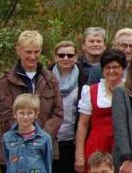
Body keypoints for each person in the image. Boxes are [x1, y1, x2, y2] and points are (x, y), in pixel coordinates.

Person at [0, 30, 63, 173]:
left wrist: (39, 137)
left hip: (43, 149)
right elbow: (4, 114)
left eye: (36, 51)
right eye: (28, 52)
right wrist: (22, 134)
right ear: (18, 50)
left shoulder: (50, 79)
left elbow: (58, 113)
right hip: (12, 149)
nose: (33, 56)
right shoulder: (4, 81)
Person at [75, 48, 125, 173]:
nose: (111, 71)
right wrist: (79, 155)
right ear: (102, 70)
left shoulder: (129, 90)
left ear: (123, 69)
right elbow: (83, 124)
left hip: (122, 145)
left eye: (115, 67)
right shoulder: (91, 90)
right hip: (97, 144)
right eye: (107, 67)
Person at [51, 40, 87, 173]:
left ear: (76, 57)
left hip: (73, 140)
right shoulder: (44, 77)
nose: (66, 58)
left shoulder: (84, 78)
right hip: (50, 138)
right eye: (61, 55)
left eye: (70, 55)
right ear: (55, 57)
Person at [2, 93, 53, 173]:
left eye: (30, 113)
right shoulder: (7, 137)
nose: (25, 117)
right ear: (15, 114)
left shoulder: (44, 138)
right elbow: (7, 162)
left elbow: (48, 164)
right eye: (21, 113)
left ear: (36, 115)